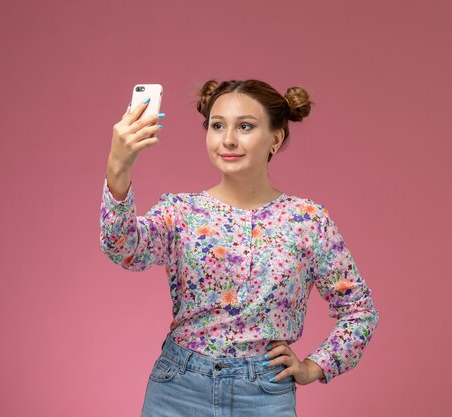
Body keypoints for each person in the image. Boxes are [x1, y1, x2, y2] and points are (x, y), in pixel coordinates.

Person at [99, 79, 379, 417]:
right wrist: (119, 166)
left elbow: (359, 310)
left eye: (245, 126)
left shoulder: (307, 220)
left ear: (276, 138)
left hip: (263, 394)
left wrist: (316, 366)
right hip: (177, 388)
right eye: (218, 126)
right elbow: (122, 247)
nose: (228, 140)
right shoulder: (180, 212)